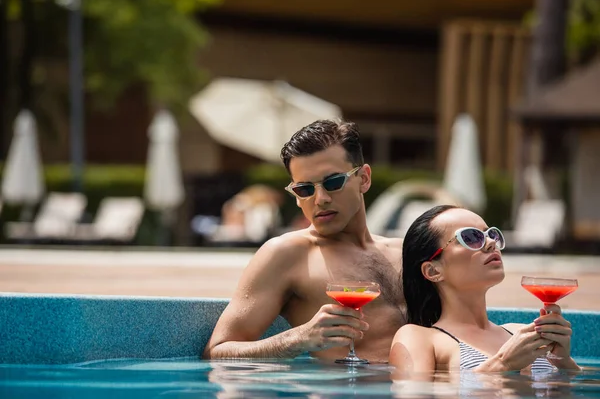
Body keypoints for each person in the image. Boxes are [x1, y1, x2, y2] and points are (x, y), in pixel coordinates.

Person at [203, 119, 406, 363]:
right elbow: (218, 351)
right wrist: (298, 339)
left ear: (363, 178)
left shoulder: (405, 252)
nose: (320, 199)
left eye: (333, 182)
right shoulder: (289, 254)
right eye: (305, 189)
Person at [389, 204, 581, 373]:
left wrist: (563, 363)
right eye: (471, 237)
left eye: (492, 235)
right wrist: (503, 364)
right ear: (433, 270)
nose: (490, 243)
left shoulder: (521, 333)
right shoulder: (420, 339)